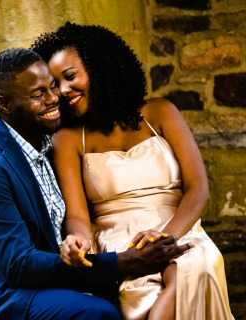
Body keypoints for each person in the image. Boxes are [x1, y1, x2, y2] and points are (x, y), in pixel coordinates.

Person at [0, 47, 192, 320]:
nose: (54, 98)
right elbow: (18, 265)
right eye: (37, 94)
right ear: (4, 104)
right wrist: (121, 263)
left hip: (45, 280)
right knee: (97, 313)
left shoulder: (46, 142)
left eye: (52, 87)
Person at [31, 22, 234, 320]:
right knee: (147, 294)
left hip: (178, 230)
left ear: (100, 67)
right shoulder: (68, 138)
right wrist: (77, 241)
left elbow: (198, 189)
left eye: (70, 76)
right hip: (119, 243)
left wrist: (165, 238)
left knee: (196, 267)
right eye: (55, 85)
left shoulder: (161, 112)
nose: (63, 90)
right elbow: (77, 216)